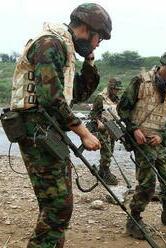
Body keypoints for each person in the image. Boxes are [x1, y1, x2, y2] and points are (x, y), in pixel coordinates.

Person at [9, 3, 112, 247]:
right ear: (88, 29)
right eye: (99, 39)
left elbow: (77, 94)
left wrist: (89, 61)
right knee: (58, 208)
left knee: (55, 206)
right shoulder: (50, 44)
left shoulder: (63, 49)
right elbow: (51, 98)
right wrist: (84, 133)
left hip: (46, 129)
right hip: (36, 129)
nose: (99, 44)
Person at [117, 49, 166, 239]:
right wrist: (134, 129)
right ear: (162, 65)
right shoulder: (140, 81)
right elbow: (123, 108)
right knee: (147, 182)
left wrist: (163, 137)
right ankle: (134, 219)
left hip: (157, 141)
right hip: (140, 139)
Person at [90, 78, 123, 185]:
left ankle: (102, 171)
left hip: (113, 128)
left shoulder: (117, 99)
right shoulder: (100, 98)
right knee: (107, 152)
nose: (117, 91)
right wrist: (98, 122)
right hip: (102, 129)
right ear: (110, 88)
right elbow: (93, 113)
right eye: (115, 89)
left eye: (118, 89)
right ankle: (105, 172)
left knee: (111, 150)